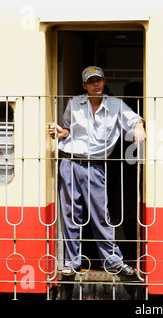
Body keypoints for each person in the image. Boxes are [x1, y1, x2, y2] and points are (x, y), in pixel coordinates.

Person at [49, 66, 146, 276]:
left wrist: (139, 127)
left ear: (104, 83)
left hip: (96, 165)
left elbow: (134, 119)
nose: (96, 84)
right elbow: (68, 130)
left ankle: (113, 261)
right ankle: (71, 263)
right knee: (71, 214)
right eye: (91, 81)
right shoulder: (74, 103)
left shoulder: (115, 105)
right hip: (70, 162)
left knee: (101, 215)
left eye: (99, 80)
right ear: (84, 85)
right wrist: (60, 132)